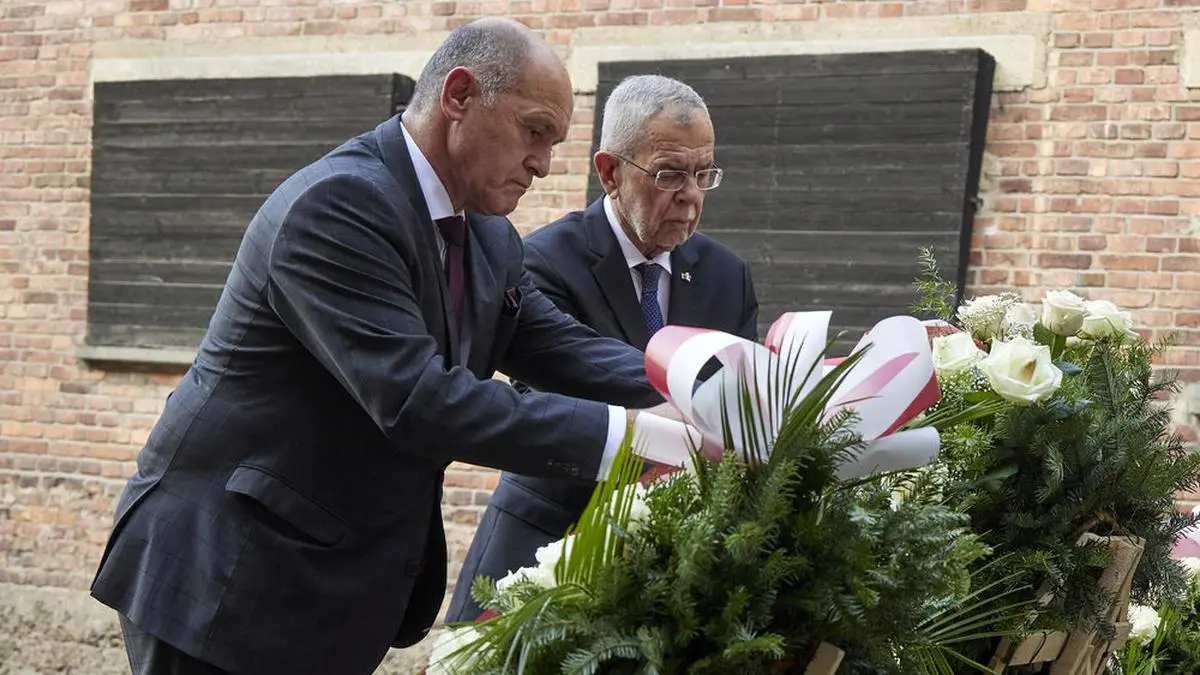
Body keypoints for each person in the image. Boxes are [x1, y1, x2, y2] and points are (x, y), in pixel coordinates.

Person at [89, 18, 678, 675]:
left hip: (333, 585)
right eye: (534, 131)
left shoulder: (488, 237)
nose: (542, 163)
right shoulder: (340, 206)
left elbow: (562, 347)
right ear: (458, 96)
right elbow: (420, 401)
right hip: (227, 578)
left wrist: (701, 385)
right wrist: (639, 437)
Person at [447, 74, 759, 623]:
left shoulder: (727, 277)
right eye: (669, 174)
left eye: (703, 174)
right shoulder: (539, 261)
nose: (690, 194)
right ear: (610, 172)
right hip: (550, 541)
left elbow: (743, 403)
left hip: (680, 561)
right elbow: (559, 397)